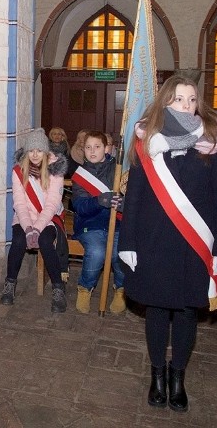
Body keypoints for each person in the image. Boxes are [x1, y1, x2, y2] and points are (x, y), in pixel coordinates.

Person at [118, 74, 217, 413]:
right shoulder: (147, 144)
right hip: (154, 243)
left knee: (185, 312)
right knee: (156, 310)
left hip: (193, 247)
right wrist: (129, 242)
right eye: (179, 98)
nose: (186, 105)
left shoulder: (212, 145)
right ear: (165, 102)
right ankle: (157, 374)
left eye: (192, 99)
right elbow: (134, 197)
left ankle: (177, 376)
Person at [0, 128, 68, 312]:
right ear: (27, 151)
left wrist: (37, 228)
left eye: (39, 150)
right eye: (31, 150)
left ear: (46, 151)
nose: (35, 154)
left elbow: (52, 204)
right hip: (25, 217)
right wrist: (28, 227)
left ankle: (58, 288)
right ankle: (10, 284)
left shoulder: (55, 170)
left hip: (49, 218)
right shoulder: (18, 171)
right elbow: (19, 203)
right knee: (19, 239)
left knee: (46, 241)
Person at [71, 130, 124, 314]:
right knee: (96, 252)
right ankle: (85, 288)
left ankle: (121, 289)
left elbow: (130, 195)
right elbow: (79, 206)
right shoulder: (80, 175)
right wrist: (99, 201)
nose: (92, 151)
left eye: (97, 147)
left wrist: (123, 203)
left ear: (106, 148)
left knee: (120, 252)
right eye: (88, 147)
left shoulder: (117, 170)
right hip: (90, 224)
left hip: (116, 223)